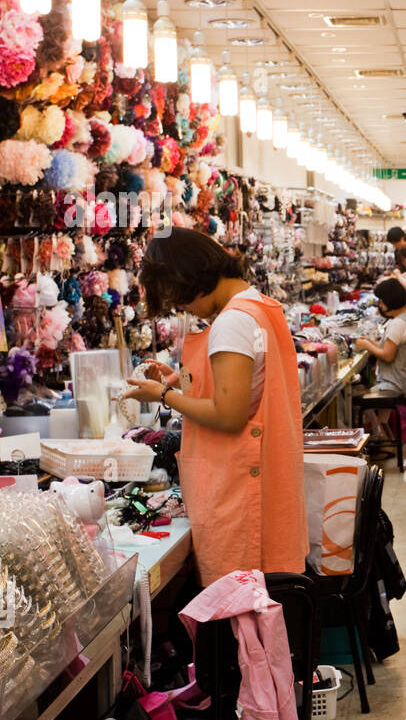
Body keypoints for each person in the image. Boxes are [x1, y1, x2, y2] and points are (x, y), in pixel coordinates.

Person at [125, 229, 308, 586]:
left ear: (187, 278)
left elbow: (230, 414)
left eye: (179, 301)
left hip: (237, 490)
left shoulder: (232, 323)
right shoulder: (257, 306)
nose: (183, 309)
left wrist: (162, 396)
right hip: (255, 478)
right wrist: (184, 380)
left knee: (240, 613)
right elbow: (248, 384)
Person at [354, 278, 406, 398]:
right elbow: (390, 349)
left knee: (354, 397)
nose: (380, 305)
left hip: (395, 385)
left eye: (382, 301)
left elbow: (388, 356)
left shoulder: (398, 323)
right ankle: (381, 418)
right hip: (403, 382)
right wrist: (370, 342)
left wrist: (367, 346)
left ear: (391, 300)